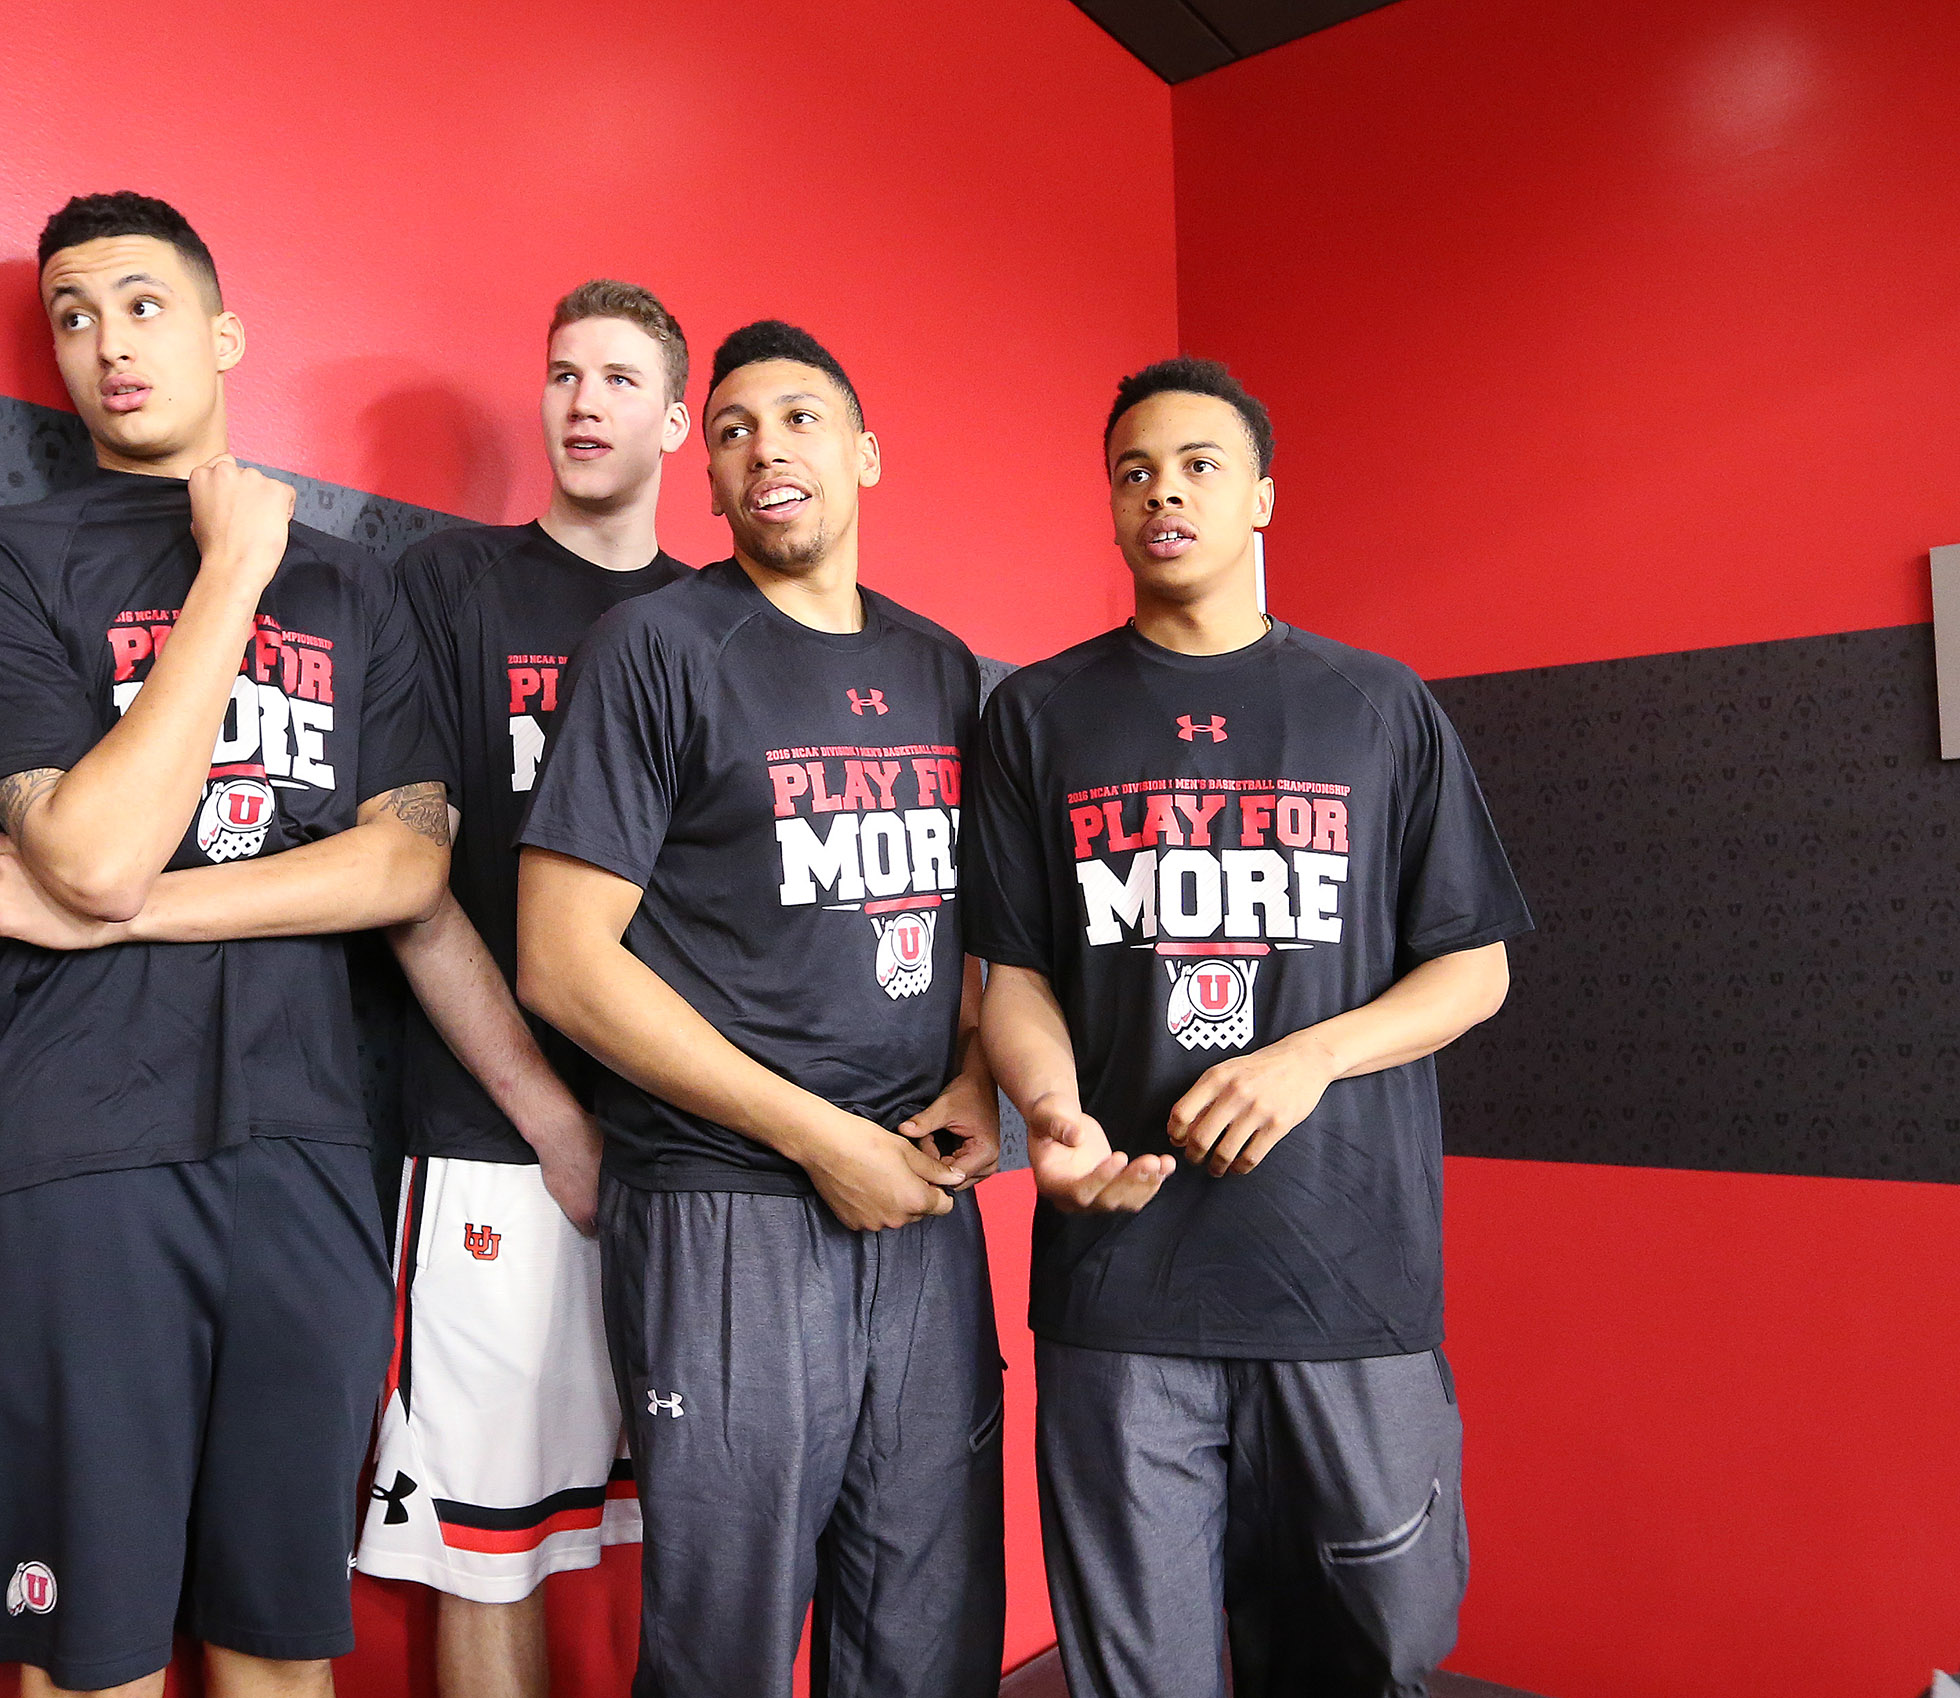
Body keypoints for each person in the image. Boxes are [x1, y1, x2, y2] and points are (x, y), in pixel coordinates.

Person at [0, 191, 451, 1698]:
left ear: (220, 332)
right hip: (76, 1150)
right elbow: (86, 843)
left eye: (142, 304)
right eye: (72, 316)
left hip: (311, 1146)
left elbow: (406, 864)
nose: (105, 343)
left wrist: (112, 906)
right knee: (91, 1658)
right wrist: (226, 577)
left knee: (282, 1645)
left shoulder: (357, 586)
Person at [968, 357, 1532, 1698]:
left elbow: (1477, 966)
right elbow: (1014, 976)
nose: (1164, 488)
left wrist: (1312, 1051)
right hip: (1122, 1284)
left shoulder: (1378, 705)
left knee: (1377, 1648)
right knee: (1139, 1676)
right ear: (1111, 506)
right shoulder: (1036, 715)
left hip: (1346, 1278)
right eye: (1134, 469)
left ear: (1264, 495)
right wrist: (1050, 1110)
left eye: (1200, 464)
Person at [513, 321, 1007, 1698]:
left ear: (862, 453)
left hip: (915, 1204)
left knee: (925, 1624)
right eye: (731, 429)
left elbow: (993, 929)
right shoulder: (656, 646)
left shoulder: (944, 669)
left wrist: (979, 1075)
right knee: (726, 1643)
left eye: (798, 418)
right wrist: (813, 1136)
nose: (763, 445)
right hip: (727, 1206)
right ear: (709, 480)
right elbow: (563, 958)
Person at [348, 281, 693, 1698]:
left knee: (705, 1515)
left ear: (678, 420)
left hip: (696, 1145)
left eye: (619, 378)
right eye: (562, 374)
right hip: (494, 1139)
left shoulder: (721, 620)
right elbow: (410, 875)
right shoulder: (448, 587)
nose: (584, 401)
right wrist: (552, 1114)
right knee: (489, 1537)